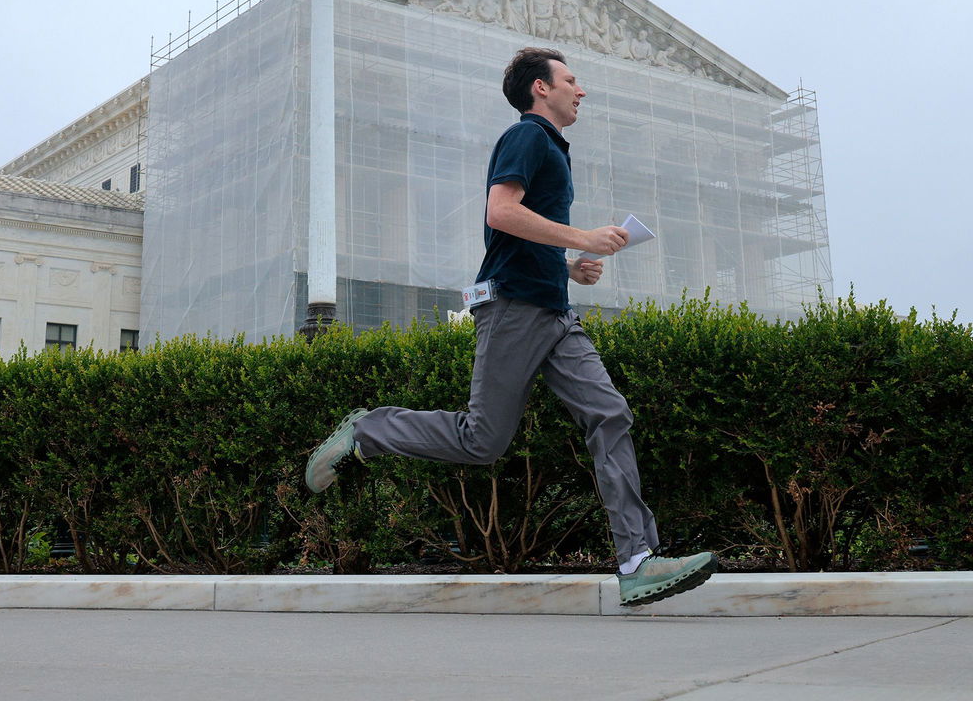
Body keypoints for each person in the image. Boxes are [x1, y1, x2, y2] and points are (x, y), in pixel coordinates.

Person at [305, 47, 718, 606]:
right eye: (572, 80)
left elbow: (521, 237)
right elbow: (501, 212)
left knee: (610, 414)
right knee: (483, 440)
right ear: (541, 89)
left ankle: (638, 561)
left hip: (553, 313)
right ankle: (367, 431)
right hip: (513, 311)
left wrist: (572, 267)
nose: (582, 90)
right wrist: (582, 238)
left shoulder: (553, 149)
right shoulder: (526, 136)